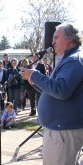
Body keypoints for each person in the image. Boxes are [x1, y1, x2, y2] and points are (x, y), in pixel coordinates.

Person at [20, 23, 83, 164]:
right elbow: (55, 91)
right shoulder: (69, 59)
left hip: (63, 131)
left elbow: (61, 90)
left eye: (56, 37)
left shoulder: (73, 60)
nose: (52, 41)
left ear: (70, 39)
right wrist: (36, 82)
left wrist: (36, 76)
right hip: (61, 130)